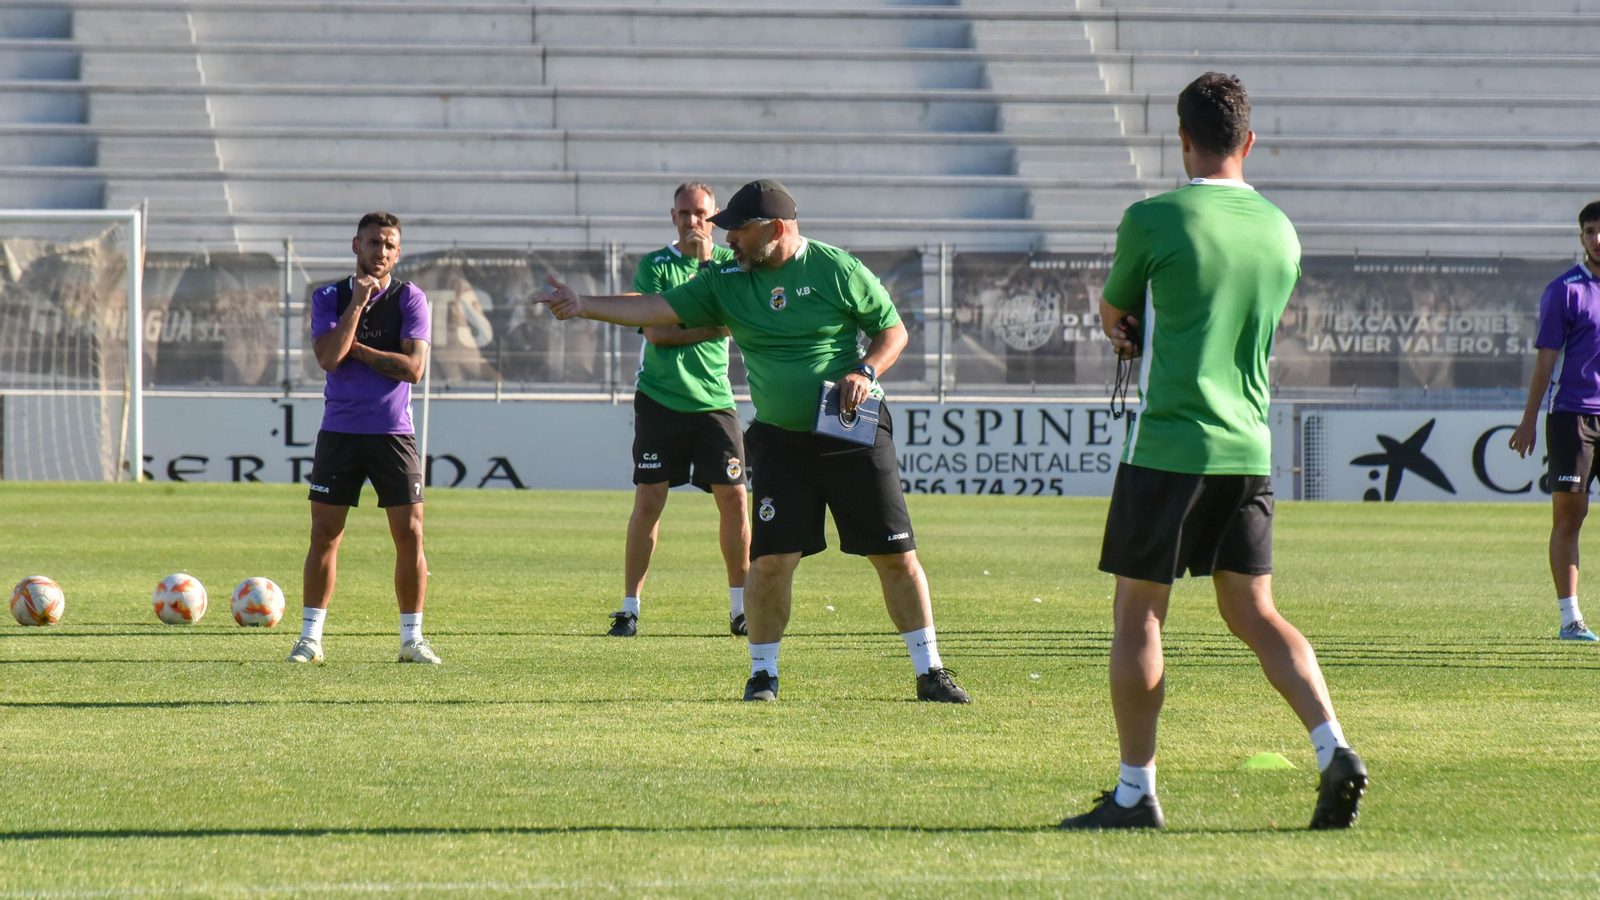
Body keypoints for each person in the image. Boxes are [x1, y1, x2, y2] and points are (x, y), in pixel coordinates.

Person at [1059, 74, 1365, 830]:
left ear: (1183, 139)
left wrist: (1121, 327)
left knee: (1140, 614)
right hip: (1248, 444)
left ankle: (1136, 792)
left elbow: (1116, 309)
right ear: (1249, 141)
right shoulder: (1281, 229)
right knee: (1255, 609)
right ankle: (1334, 748)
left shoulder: (1154, 218)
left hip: (1169, 440)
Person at [535, 179, 969, 703]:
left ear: (775, 230)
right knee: (769, 563)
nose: (728, 240)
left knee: (896, 557)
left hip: (851, 433)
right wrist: (582, 305)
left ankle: (930, 672)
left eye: (737, 231)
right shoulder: (726, 280)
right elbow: (657, 308)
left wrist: (865, 370)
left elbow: (892, 330)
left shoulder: (837, 269)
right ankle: (763, 674)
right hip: (780, 443)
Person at [287, 211, 437, 664]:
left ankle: (411, 639)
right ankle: (310, 638)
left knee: (410, 535)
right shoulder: (330, 297)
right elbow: (329, 360)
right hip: (341, 433)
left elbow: (413, 369)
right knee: (325, 535)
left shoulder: (411, 299)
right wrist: (356, 304)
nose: (382, 252)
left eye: (390, 245)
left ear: (399, 251)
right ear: (356, 246)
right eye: (374, 243)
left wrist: (358, 349)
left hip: (394, 434)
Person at [610, 182, 750, 638]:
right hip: (660, 398)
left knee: (735, 499)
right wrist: (710, 326)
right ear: (673, 217)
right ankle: (630, 608)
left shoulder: (727, 262)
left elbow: (733, 317)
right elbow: (658, 335)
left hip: (714, 400)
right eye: (685, 213)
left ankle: (740, 608)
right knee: (649, 500)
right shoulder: (654, 266)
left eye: (702, 214)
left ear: (715, 218)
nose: (694, 222)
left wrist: (706, 269)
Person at [1509, 201, 1600, 643]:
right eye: (1590, 231)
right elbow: (1546, 359)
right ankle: (1570, 619)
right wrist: (1528, 420)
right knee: (1570, 515)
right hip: (1573, 417)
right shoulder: (1565, 290)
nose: (1597, 239)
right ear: (1581, 237)